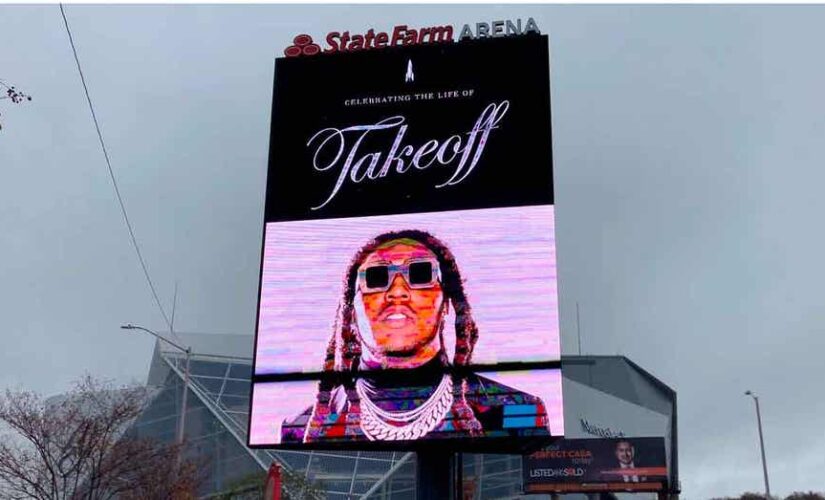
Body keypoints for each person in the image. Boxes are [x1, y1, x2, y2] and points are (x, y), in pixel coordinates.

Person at [280, 229, 552, 443]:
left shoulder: (517, 413)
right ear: (351, 311)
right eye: (376, 277)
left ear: (446, 303)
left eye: (420, 273)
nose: (398, 291)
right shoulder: (303, 428)